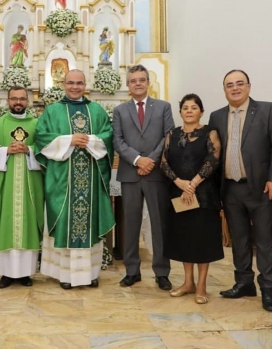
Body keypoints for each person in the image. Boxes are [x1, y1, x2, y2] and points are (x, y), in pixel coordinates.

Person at [209, 69, 272, 312]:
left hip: (261, 187)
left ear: (249, 86)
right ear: (224, 90)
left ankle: (268, 288)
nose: (235, 88)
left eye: (239, 83)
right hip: (230, 188)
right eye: (229, 85)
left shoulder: (267, 110)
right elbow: (213, 154)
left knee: (266, 240)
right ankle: (244, 282)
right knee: (239, 240)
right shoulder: (216, 116)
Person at [35, 69, 115, 289]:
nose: (75, 87)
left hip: (91, 179)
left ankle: (89, 274)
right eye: (71, 83)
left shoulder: (96, 111)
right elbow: (41, 137)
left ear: (85, 84)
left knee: (89, 222)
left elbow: (108, 136)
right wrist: (69, 140)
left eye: (79, 83)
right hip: (62, 181)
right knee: (63, 222)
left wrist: (90, 141)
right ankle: (65, 275)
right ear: (64, 84)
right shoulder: (52, 111)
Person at [113, 64, 174, 291]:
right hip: (130, 173)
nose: (137, 83)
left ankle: (162, 272)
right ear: (128, 85)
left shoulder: (163, 107)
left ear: (148, 82)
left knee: (159, 224)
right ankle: (132, 271)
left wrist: (151, 161)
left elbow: (169, 135)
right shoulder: (120, 111)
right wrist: (138, 160)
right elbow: (117, 140)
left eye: (141, 79)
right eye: (133, 80)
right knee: (130, 224)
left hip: (156, 173)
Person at [160, 94, 223, 304]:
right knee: (185, 238)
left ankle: (202, 285)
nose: (189, 111)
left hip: (204, 195)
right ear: (180, 113)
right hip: (180, 194)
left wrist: (193, 184)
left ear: (201, 111)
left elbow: (212, 160)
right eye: (185, 107)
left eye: (194, 107)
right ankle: (188, 282)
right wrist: (179, 183)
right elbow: (164, 162)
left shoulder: (209, 133)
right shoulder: (172, 134)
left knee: (202, 240)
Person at [0, 86, 44, 288]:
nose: (18, 102)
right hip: (4, 186)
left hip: (30, 187)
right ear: (7, 100)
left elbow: (45, 151)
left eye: (22, 99)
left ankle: (26, 273)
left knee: (28, 224)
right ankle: (5, 273)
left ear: (28, 101)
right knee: (5, 222)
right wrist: (5, 150)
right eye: (14, 99)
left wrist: (30, 150)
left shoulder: (38, 125)